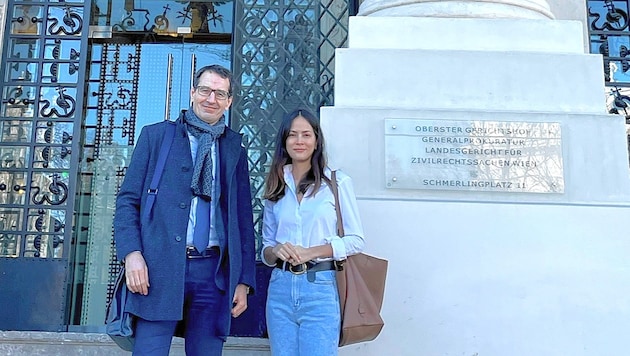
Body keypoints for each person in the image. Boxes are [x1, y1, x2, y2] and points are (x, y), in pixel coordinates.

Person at [113, 64, 256, 356]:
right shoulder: (156, 137)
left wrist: (243, 280)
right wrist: (132, 255)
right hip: (158, 269)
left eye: (220, 93)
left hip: (213, 274)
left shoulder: (234, 148)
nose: (211, 99)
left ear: (229, 101)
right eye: (205, 90)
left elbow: (242, 218)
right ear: (192, 93)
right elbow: (128, 200)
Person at [261, 108, 365, 355]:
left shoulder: (337, 183)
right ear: (284, 141)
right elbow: (266, 250)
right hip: (280, 288)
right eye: (293, 135)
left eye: (306, 135)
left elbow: (356, 240)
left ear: (316, 141)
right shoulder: (276, 184)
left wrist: (312, 252)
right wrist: (276, 250)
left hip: (320, 286)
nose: (299, 141)